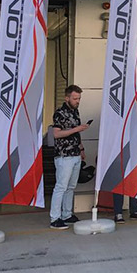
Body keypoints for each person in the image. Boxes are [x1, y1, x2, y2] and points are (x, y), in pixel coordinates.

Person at [49, 84, 89, 229]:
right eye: (75, 98)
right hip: (64, 155)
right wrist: (77, 129)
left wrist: (81, 148)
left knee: (71, 187)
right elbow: (56, 134)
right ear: (67, 98)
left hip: (75, 153)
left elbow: (76, 134)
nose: (77, 101)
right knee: (61, 186)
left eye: (79, 98)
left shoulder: (75, 112)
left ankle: (67, 214)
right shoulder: (60, 113)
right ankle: (55, 217)